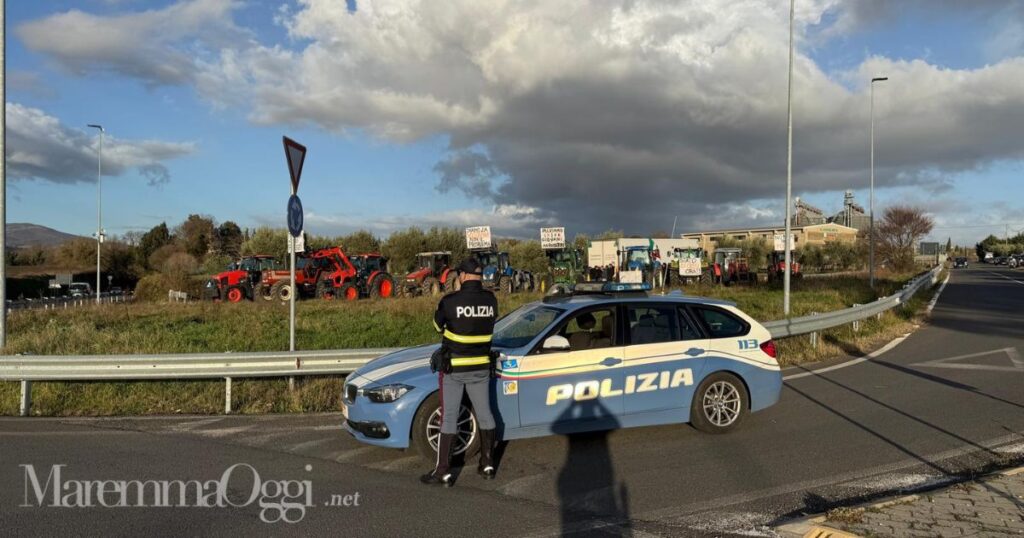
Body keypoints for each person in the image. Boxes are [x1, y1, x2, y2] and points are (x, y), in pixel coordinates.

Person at [420, 258, 500, 486]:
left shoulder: (451, 301)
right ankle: (487, 465)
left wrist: (454, 295)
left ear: (462, 276)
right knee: (485, 414)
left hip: (455, 369)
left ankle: (443, 472)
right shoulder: (491, 300)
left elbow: (437, 326)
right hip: (481, 368)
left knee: (449, 418)